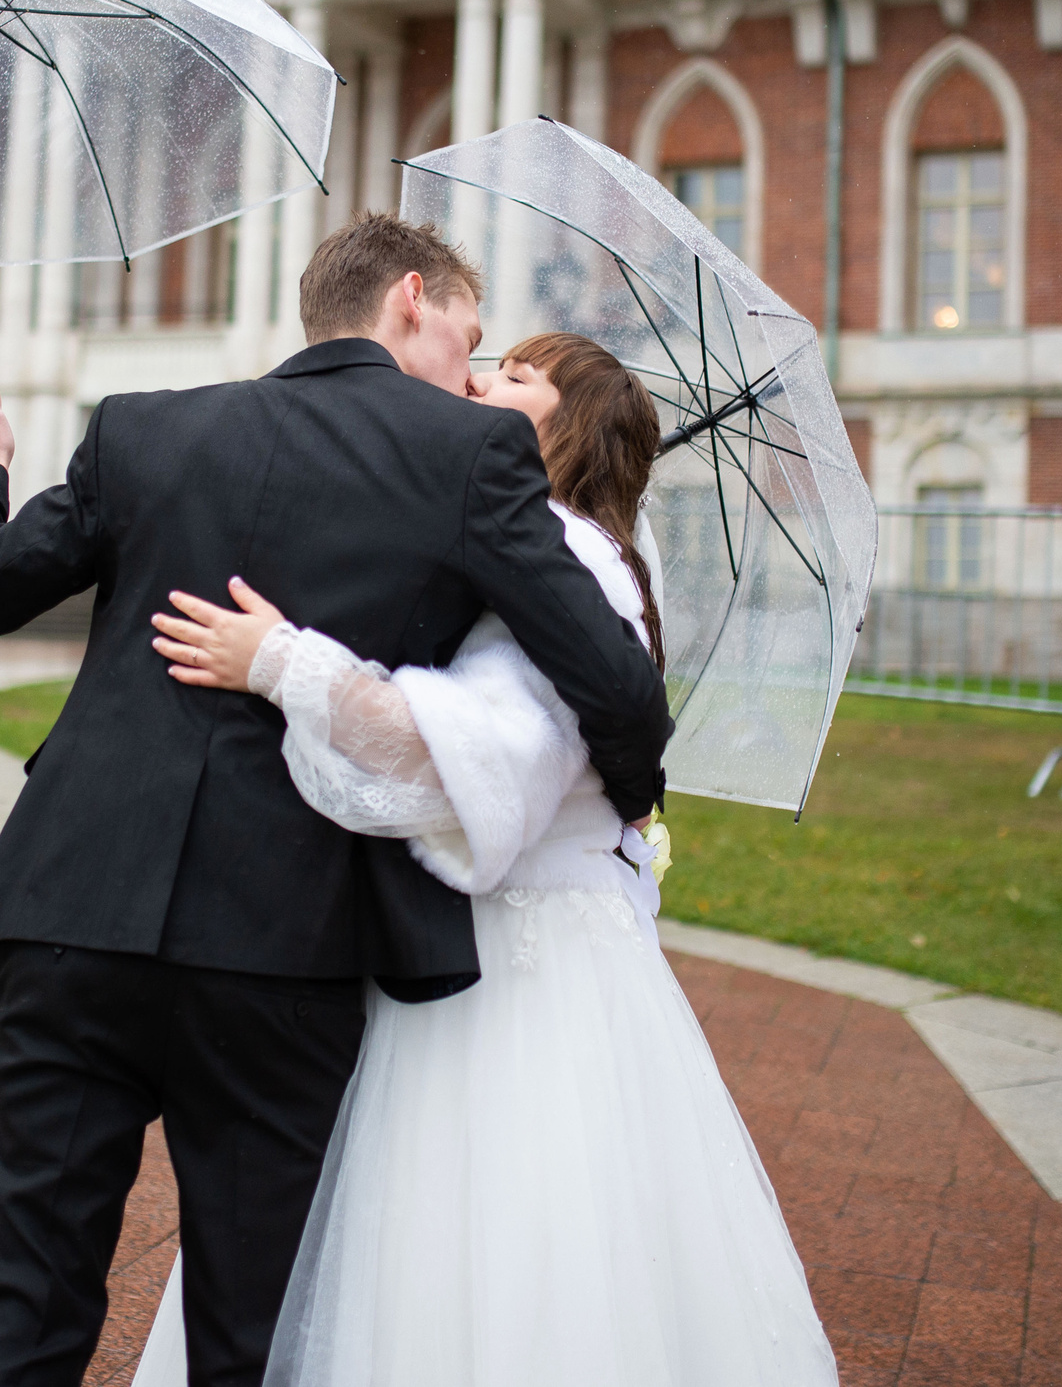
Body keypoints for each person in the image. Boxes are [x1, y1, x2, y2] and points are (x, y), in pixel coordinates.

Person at [0, 215, 673, 1387]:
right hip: (284, 944)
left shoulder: (143, 426)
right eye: (467, 337)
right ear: (410, 299)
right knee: (247, 1331)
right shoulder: (467, 458)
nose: (471, 374)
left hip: (70, 912)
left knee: (23, 1308)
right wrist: (631, 800)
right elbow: (616, 686)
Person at [134, 331, 840, 1387]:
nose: (473, 381)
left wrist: (280, 660)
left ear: (566, 425)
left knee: (493, 1242)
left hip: (514, 970)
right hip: (538, 940)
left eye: (512, 374)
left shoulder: (563, 558)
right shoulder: (552, 550)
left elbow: (471, 758)